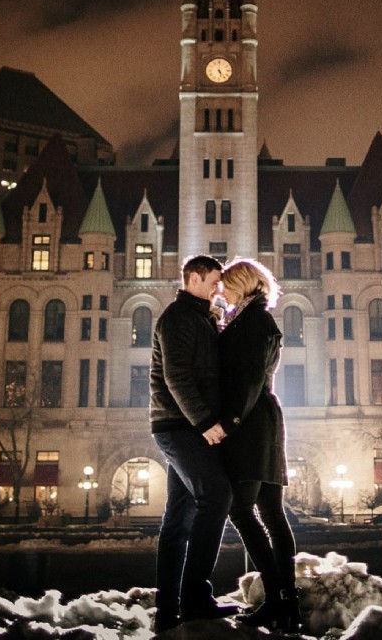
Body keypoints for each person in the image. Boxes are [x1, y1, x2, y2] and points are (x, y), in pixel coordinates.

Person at [150, 254, 238, 633]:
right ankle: (195, 599)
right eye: (216, 281)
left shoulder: (201, 317)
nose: (221, 289)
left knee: (178, 518)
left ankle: (169, 608)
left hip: (183, 425)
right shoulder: (178, 317)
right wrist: (205, 422)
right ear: (196, 278)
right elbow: (176, 376)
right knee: (216, 496)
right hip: (180, 426)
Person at [217, 258, 301, 634]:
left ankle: (277, 598)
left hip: (251, 422)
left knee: (242, 508)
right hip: (263, 418)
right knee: (271, 512)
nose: (222, 291)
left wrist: (231, 420)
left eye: (227, 284)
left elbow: (249, 377)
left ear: (244, 284)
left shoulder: (253, 321)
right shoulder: (251, 318)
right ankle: (287, 602)